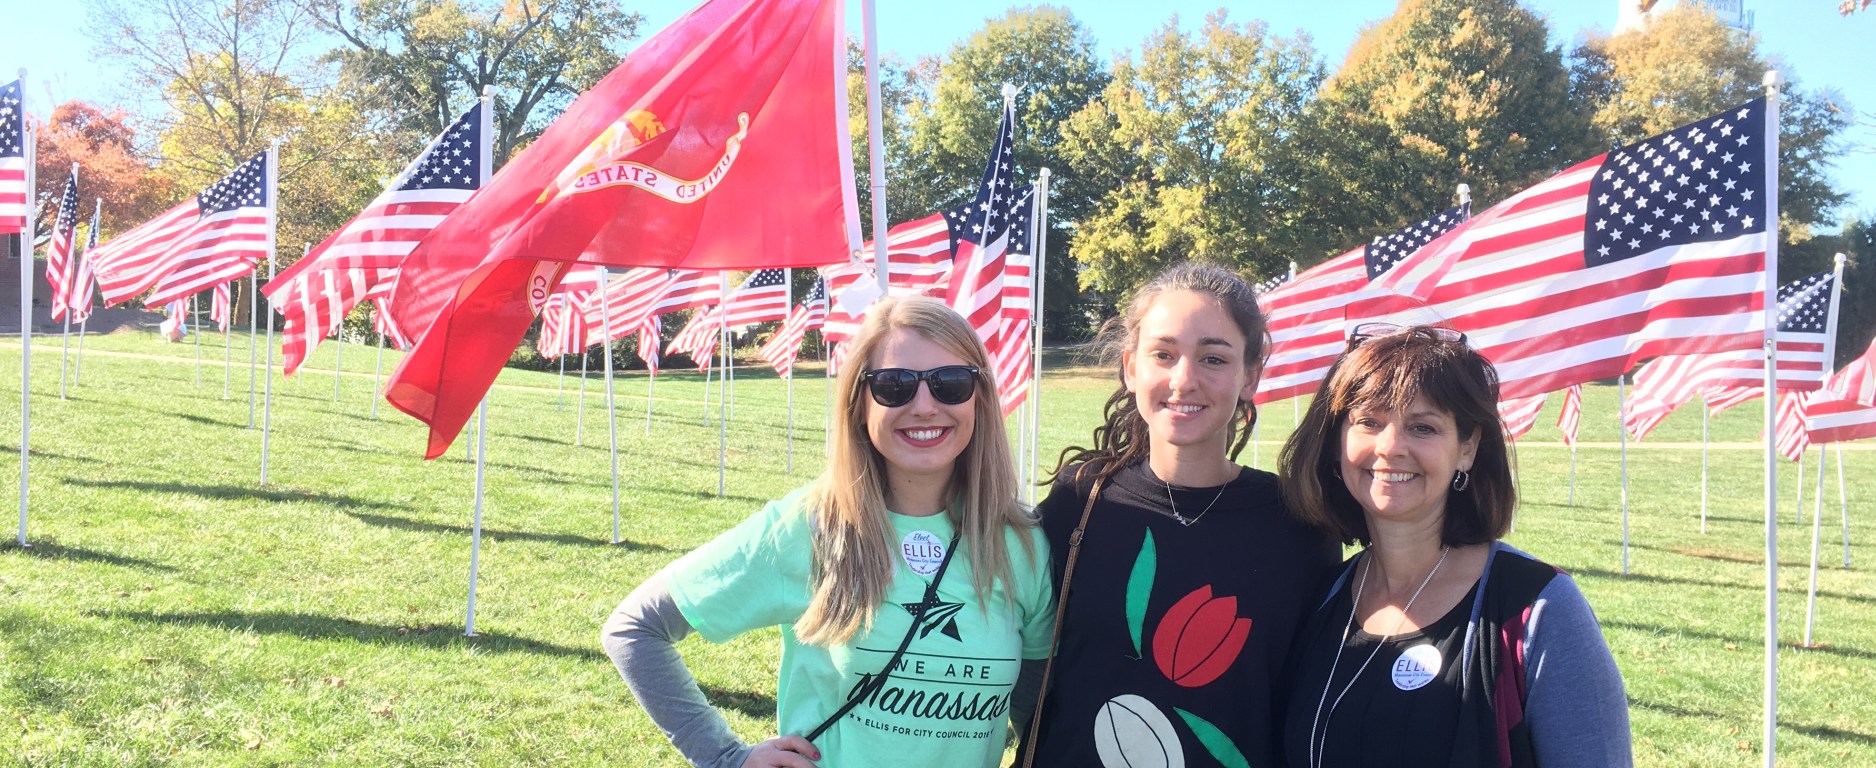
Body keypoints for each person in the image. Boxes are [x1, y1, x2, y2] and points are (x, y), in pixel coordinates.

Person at [602, 296, 1053, 768]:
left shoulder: (1020, 546)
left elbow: (1034, 708)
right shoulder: (807, 527)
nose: (924, 406)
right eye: (894, 385)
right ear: (859, 403)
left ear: (979, 398)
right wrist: (725, 757)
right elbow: (635, 629)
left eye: (951, 383)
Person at [1018, 263, 1341, 768]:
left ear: (1251, 374)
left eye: (1213, 358)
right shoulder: (1078, 502)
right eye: (1163, 354)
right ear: (1131, 368)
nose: (1184, 380)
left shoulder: (1299, 525)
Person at [1277, 324, 1632, 768]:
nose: (1391, 447)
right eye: (1368, 422)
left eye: (1422, 427)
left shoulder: (1539, 610)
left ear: (1467, 448)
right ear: (1335, 443)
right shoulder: (1320, 596)